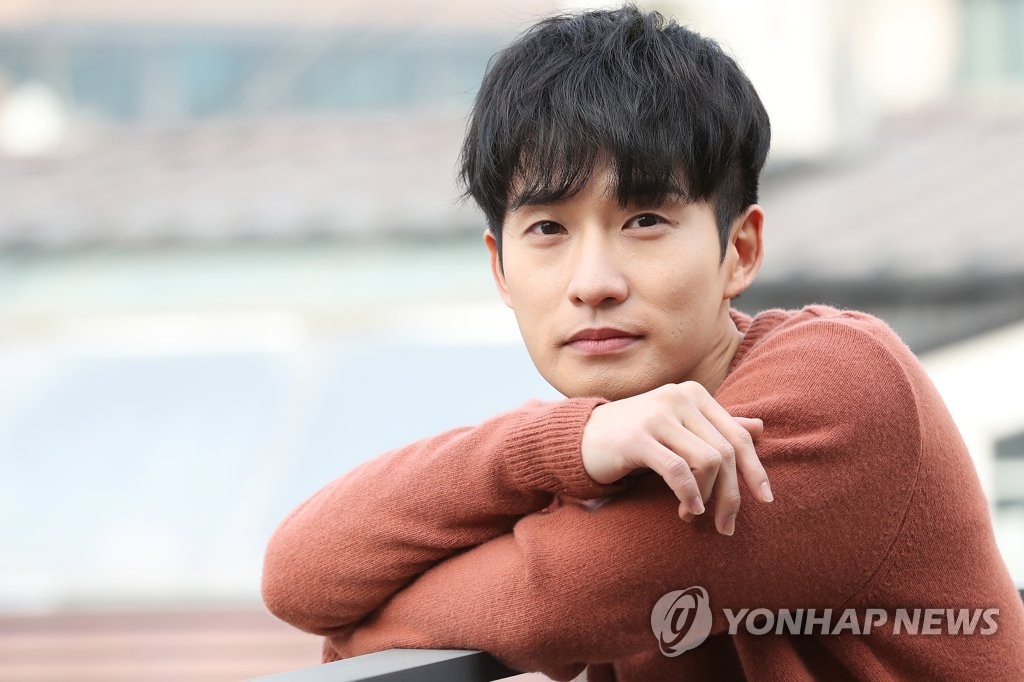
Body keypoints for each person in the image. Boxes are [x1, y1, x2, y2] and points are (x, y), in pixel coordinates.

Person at [262, 5, 1024, 680]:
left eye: (645, 221)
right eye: (548, 229)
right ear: (500, 269)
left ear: (740, 251)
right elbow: (299, 577)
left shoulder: (838, 390)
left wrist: (364, 633)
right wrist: (561, 445)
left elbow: (554, 603)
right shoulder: (610, 440)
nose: (594, 282)